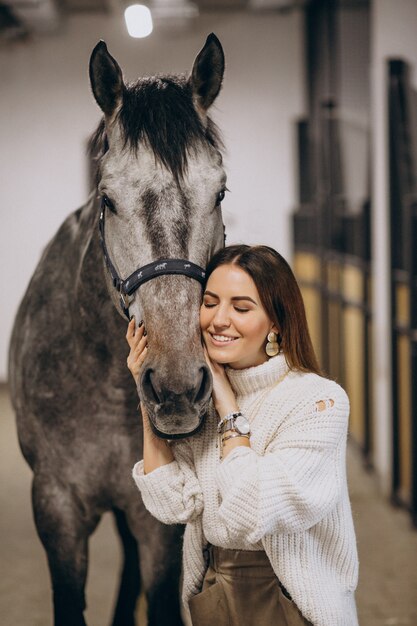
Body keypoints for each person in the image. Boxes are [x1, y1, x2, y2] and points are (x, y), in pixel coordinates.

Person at [127, 244, 359, 626]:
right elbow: (173, 504)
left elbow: (252, 509)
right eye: (210, 302)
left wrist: (228, 408)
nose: (218, 320)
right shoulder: (200, 402)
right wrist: (147, 395)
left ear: (276, 322)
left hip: (291, 598)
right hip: (215, 591)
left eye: (241, 307)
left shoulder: (319, 401)